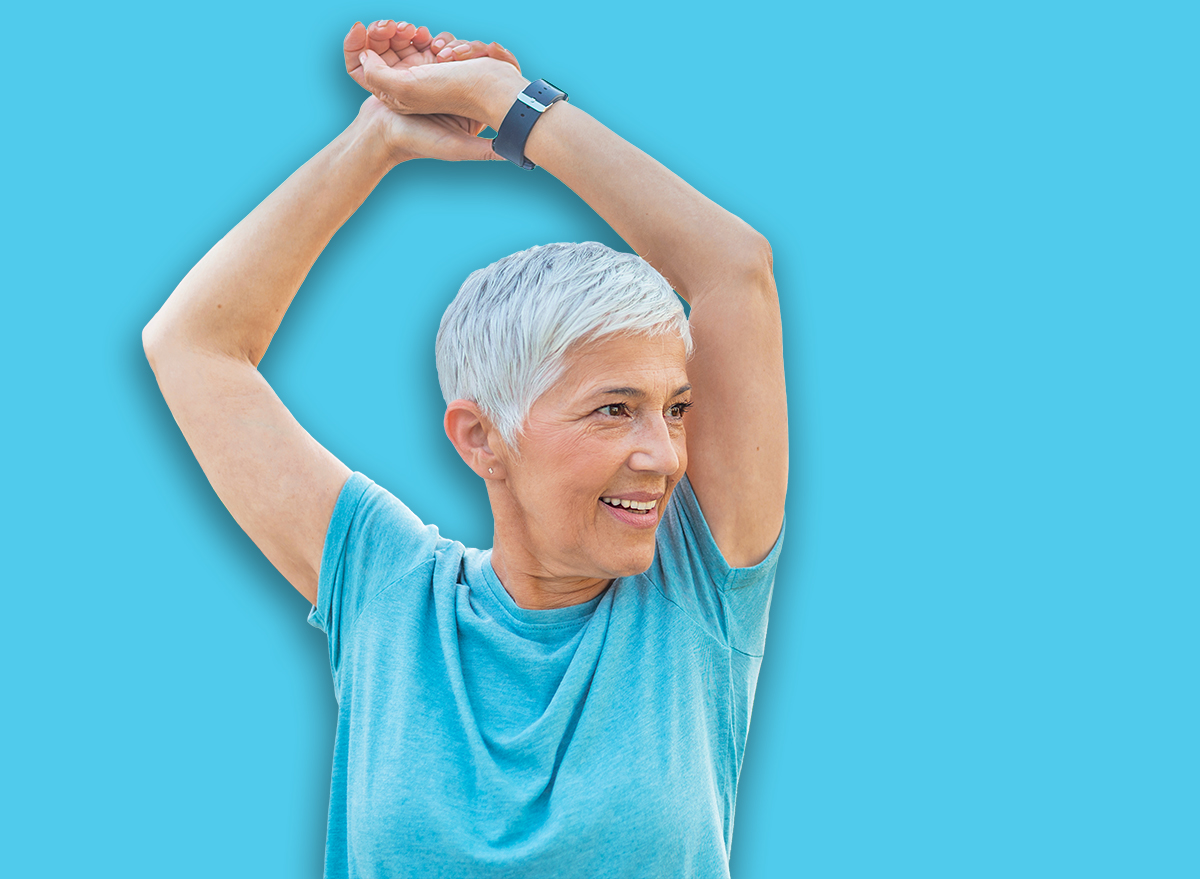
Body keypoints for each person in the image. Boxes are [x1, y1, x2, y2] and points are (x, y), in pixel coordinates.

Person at [143, 17, 787, 878]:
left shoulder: (696, 593)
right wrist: (374, 141)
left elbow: (732, 267)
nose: (665, 455)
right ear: (482, 437)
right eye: (613, 409)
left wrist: (504, 103)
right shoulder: (388, 590)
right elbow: (191, 344)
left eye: (676, 408)